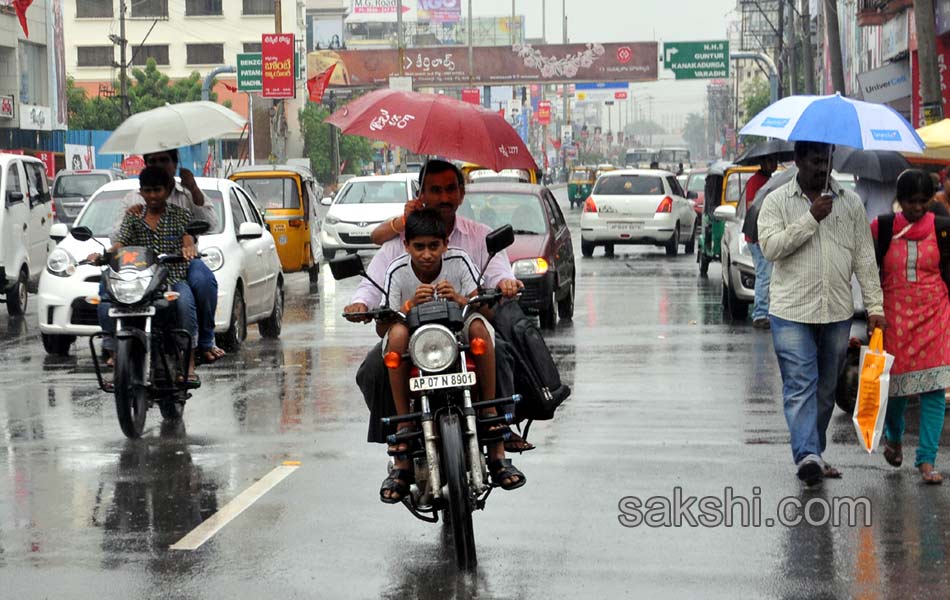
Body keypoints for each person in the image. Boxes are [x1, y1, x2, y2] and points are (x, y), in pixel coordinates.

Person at [345, 160, 530, 451]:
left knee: (503, 353)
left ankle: (498, 425)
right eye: (435, 190)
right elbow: (374, 284)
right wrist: (359, 304)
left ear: (461, 193)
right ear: (421, 194)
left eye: (450, 189)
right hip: (414, 339)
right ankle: (399, 437)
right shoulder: (398, 241)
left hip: (462, 334)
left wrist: (505, 284)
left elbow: (499, 273)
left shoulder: (478, 237)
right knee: (372, 368)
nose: (444, 197)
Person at [758, 141, 886, 487]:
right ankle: (807, 455)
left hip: (836, 311)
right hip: (791, 311)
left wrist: (875, 307)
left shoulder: (850, 203)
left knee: (826, 390)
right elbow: (770, 248)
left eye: (825, 161)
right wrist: (810, 218)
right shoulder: (777, 201)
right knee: (801, 384)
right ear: (798, 161)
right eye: (814, 161)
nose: (821, 168)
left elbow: (863, 257)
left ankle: (813, 451)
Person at [376, 210, 525, 503]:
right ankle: (404, 427)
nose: (427, 254)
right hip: (416, 346)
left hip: (458, 339)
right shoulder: (396, 270)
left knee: (481, 329)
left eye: (434, 246)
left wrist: (460, 299)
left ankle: (491, 420)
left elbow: (485, 309)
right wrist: (407, 306)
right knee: (395, 337)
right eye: (419, 247)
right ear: (406, 246)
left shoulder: (459, 261)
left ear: (446, 244)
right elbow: (383, 324)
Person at [871, 170, 950, 484]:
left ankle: (926, 461)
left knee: (933, 389)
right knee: (897, 388)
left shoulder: (943, 229)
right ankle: (894, 436)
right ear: (899, 200)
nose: (917, 207)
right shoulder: (882, 228)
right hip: (894, 315)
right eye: (910, 201)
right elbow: (865, 265)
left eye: (923, 201)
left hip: (936, 313)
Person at [113, 150, 224, 365]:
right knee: (106, 291)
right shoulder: (135, 199)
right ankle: (113, 350)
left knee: (202, 282)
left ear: (175, 164)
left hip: (181, 262)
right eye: (153, 161)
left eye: (164, 160)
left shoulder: (186, 195)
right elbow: (119, 237)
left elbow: (211, 224)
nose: (159, 165)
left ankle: (205, 342)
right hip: (141, 266)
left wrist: (193, 188)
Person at [91, 166, 200, 383]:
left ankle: (189, 362)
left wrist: (188, 249)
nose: (152, 196)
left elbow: (188, 239)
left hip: (172, 279)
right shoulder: (132, 217)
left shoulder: (181, 216)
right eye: (147, 191)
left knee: (185, 303)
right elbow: (120, 244)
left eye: (157, 190)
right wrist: (102, 255)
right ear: (141, 192)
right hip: (139, 282)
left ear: (167, 190)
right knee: (105, 303)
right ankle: (115, 357)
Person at [744, 156, 778, 329]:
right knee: (764, 276)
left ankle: (764, 311)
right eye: (771, 161)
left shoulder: (768, 181)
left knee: (766, 275)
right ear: (763, 163)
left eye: (775, 161)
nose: (774, 164)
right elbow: (752, 205)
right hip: (757, 235)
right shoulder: (755, 181)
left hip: (763, 234)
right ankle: (760, 314)